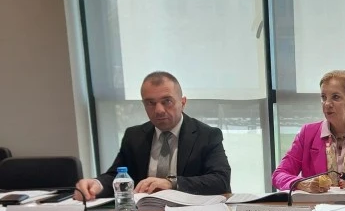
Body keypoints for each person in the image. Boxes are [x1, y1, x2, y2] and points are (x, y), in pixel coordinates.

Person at [76, 71, 232, 199]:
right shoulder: (134, 136)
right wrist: (97, 184)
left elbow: (220, 180)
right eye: (150, 103)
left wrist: (171, 183)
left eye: (167, 101)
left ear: (183, 102)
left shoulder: (207, 135)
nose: (159, 110)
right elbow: (118, 176)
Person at [272, 70, 345, 193]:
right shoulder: (307, 133)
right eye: (323, 97)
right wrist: (302, 183)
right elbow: (279, 175)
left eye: (335, 97)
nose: (327, 104)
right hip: (317, 205)